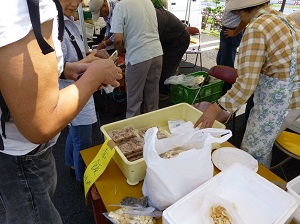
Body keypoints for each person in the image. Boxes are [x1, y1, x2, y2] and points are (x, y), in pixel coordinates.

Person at [0, 0, 122, 223]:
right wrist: (95, 75)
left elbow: (21, 72)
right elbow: (40, 123)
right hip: (19, 159)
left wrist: (68, 70)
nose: (77, 2)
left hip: (22, 155)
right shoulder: (19, 7)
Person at [194, 0, 300, 168]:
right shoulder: (280, 17)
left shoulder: (256, 28)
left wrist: (215, 108)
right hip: (293, 97)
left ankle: (252, 185)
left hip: (279, 103)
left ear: (241, 11)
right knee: (262, 147)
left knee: (253, 152)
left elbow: (246, 83)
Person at [59, 0, 110, 187]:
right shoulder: (55, 28)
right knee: (84, 138)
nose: (75, 3)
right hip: (73, 90)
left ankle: (72, 166)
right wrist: (93, 64)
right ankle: (83, 179)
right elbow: (60, 68)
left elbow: (76, 56)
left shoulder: (67, 23)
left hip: (80, 88)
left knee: (76, 131)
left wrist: (92, 55)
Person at [110, 0, 163, 118]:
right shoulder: (148, 2)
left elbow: (117, 39)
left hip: (138, 55)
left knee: (134, 98)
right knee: (152, 95)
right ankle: (152, 128)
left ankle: (133, 130)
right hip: (156, 52)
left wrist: (120, 50)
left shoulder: (121, 6)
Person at [155, 7, 190, 101]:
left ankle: (163, 93)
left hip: (179, 40)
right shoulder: (151, 14)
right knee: (162, 65)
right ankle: (161, 88)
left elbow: (153, 40)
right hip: (169, 40)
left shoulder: (158, 17)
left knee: (166, 66)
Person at [217, 0, 248, 93]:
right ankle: (221, 87)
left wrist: (235, 32)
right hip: (227, 30)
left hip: (231, 31)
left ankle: (225, 90)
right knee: (221, 60)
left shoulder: (239, 2)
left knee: (226, 62)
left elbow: (246, 19)